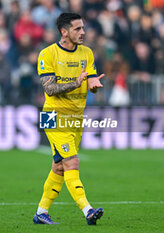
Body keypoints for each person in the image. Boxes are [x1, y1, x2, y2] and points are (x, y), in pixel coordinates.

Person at [33, 13, 105, 225]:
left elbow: (90, 79)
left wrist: (93, 86)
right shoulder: (47, 54)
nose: (82, 32)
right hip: (53, 115)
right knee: (72, 161)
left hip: (75, 117)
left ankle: (41, 212)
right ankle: (88, 210)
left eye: (83, 28)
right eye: (77, 29)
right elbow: (50, 88)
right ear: (64, 32)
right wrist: (76, 83)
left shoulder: (87, 53)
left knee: (59, 168)